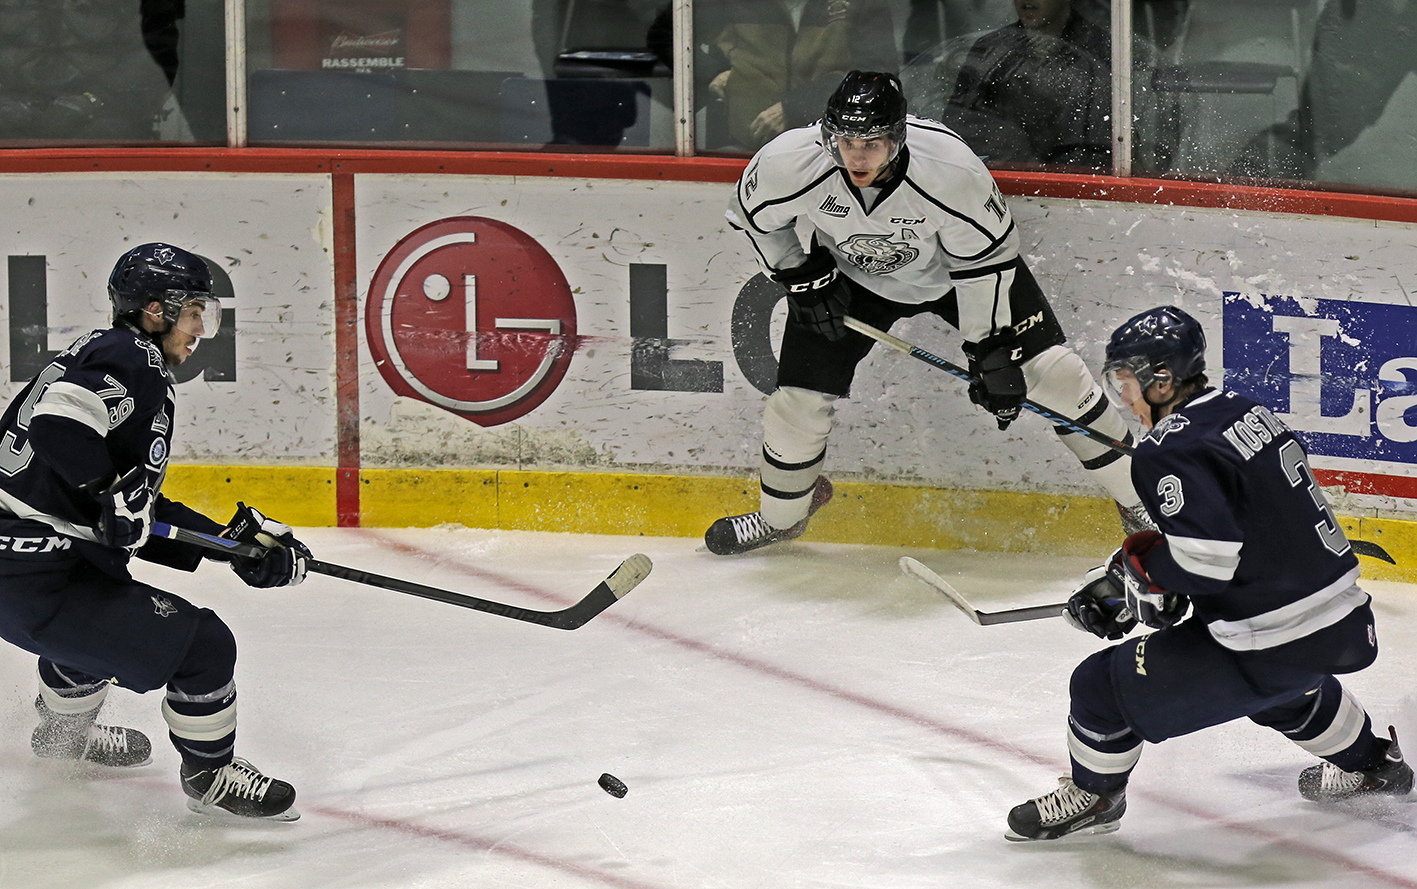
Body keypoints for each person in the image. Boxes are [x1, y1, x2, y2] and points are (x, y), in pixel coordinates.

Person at [1006, 305, 1412, 842]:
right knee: (1276, 686)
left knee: (1098, 686)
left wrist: (1137, 573)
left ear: (1162, 378)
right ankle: (1373, 765)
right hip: (1342, 623)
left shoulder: (1167, 449)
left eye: (1125, 381)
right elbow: (1253, 525)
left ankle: (1095, 797)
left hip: (1273, 637)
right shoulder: (1247, 411)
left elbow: (1206, 562)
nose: (1122, 397)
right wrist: (1151, 581)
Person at [705, 70, 1150, 556]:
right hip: (851, 280)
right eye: (846, 140)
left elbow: (987, 260)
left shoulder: (949, 168)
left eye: (872, 142)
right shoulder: (791, 159)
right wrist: (802, 278)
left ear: (898, 137)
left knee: (1056, 377)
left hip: (958, 278)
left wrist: (989, 347)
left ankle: (1143, 501)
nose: (856, 155)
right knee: (796, 403)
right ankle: (782, 518)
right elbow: (752, 218)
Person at [0, 243, 311, 821]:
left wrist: (232, 544)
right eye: (194, 311)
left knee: (101, 614)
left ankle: (62, 740)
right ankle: (211, 777)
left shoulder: (110, 355)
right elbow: (57, 428)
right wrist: (109, 492)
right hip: (33, 573)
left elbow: (135, 510)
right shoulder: (132, 355)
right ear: (154, 308)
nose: (200, 329)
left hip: (30, 565)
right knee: (204, 646)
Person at [944, 0, 1177, 171]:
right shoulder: (990, 50)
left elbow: (1115, 150)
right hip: (1002, 182)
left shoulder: (1111, 54)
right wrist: (1012, 149)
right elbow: (960, 130)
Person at [696, 0, 899, 151]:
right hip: (745, 153)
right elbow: (673, 30)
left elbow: (879, 79)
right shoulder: (734, 4)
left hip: (830, 155)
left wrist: (794, 108)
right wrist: (715, 72)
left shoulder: (859, 3)